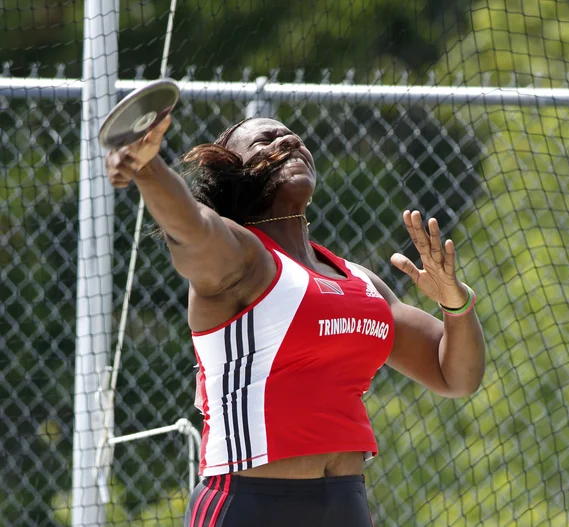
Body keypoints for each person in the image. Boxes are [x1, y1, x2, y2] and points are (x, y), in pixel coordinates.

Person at [105, 115, 486, 527]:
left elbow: (454, 376)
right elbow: (192, 228)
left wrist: (456, 304)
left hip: (345, 504)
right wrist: (149, 167)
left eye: (293, 137)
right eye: (265, 141)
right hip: (250, 504)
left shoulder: (360, 281)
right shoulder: (242, 258)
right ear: (233, 171)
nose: (286, 141)